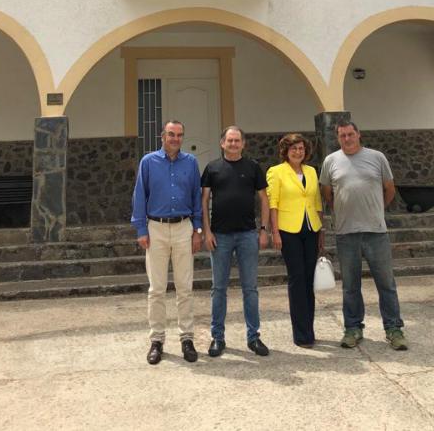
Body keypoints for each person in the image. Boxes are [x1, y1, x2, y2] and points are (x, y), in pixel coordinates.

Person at [319, 121, 408, 351]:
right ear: (338, 138)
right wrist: (340, 211)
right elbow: (327, 194)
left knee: (386, 284)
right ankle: (352, 328)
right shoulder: (330, 161)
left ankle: (393, 329)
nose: (347, 139)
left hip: (376, 232)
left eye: (350, 134)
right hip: (346, 233)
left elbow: (389, 188)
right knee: (350, 286)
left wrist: (377, 209)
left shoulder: (377, 158)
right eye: (342, 136)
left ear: (358, 135)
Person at [131, 119, 203, 365]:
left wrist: (197, 230)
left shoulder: (191, 163)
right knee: (157, 289)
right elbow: (140, 194)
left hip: (183, 228)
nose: (175, 139)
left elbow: (196, 197)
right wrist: (141, 229)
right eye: (171, 134)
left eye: (179, 135)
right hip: (156, 229)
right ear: (162, 136)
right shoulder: (148, 162)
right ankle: (157, 340)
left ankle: (187, 338)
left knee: (185, 287)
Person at [201, 126, 270, 358]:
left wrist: (263, 229)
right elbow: (204, 201)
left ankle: (254, 337)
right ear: (222, 143)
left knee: (250, 289)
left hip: (248, 236)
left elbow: (264, 198)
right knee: (218, 289)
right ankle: (217, 338)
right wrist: (206, 232)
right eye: (229, 140)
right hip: (219, 237)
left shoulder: (253, 168)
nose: (233, 144)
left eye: (237, 140)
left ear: (243, 143)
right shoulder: (212, 168)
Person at [267, 133, 324, 348]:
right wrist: (275, 232)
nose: (297, 152)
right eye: (293, 149)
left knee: (309, 279)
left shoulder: (310, 171)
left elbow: (317, 202)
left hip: (311, 228)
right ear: (286, 151)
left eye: (300, 148)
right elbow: (274, 203)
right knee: (297, 278)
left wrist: (321, 231)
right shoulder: (276, 172)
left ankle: (309, 327)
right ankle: (301, 334)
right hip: (288, 230)